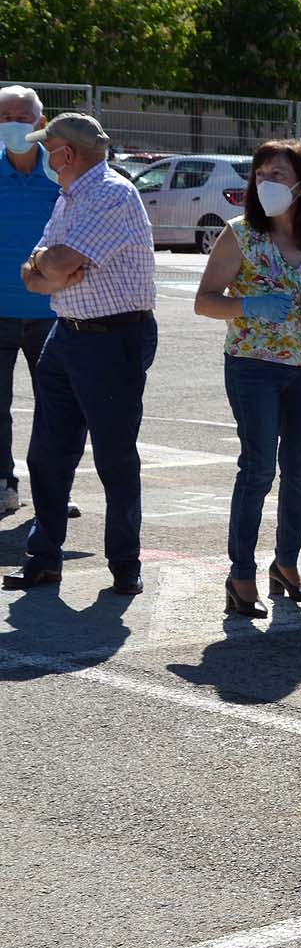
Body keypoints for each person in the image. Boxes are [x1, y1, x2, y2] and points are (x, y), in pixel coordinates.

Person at [6, 114, 158, 596]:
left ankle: (124, 563)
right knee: (47, 453)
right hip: (67, 334)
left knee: (114, 456)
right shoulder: (73, 196)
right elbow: (33, 272)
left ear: (66, 154)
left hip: (112, 339)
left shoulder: (111, 193)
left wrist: (51, 267)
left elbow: (54, 262)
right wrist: (50, 269)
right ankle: (44, 557)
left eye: (49, 150)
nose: (46, 159)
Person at [193, 140, 301, 618]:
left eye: (278, 175)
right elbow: (205, 300)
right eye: (261, 175)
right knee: (257, 469)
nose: (267, 183)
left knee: (299, 472)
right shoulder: (241, 235)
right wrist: (247, 306)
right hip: (253, 367)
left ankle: (287, 565)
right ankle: (241, 575)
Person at [0, 85, 61, 517]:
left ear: (41, 124)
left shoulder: (61, 176)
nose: (14, 125)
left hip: (53, 315)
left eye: (22, 116)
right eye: (5, 117)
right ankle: (4, 483)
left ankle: (54, 488)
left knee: (56, 408)